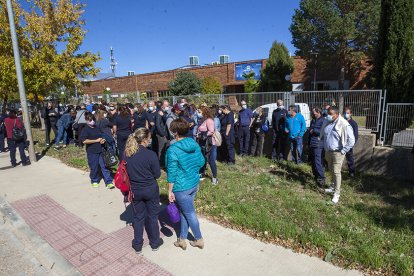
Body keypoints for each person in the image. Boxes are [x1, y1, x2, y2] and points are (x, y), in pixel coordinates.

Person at [166, 118, 205, 250]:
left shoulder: (173, 150)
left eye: (172, 130)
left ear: (175, 132)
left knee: (189, 213)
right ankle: (182, 239)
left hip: (181, 187)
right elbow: (201, 162)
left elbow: (171, 173)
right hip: (193, 183)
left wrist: (170, 191)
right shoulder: (194, 143)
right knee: (185, 212)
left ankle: (199, 238)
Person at [124, 128, 163, 254]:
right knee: (152, 217)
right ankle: (155, 243)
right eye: (149, 137)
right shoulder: (150, 155)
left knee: (138, 218)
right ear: (145, 140)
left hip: (135, 190)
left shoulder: (127, 153)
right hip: (150, 189)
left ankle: (137, 245)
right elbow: (157, 174)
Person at [320, 106, 355, 204]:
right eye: (328, 113)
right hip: (328, 150)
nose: (328, 116)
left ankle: (337, 193)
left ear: (336, 114)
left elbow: (351, 139)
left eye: (330, 114)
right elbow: (324, 132)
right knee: (331, 169)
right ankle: (332, 186)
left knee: (336, 171)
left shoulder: (344, 124)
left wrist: (344, 150)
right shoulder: (327, 121)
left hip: (338, 152)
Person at [80, 113, 114, 188]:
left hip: (101, 150)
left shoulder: (97, 127)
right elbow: (84, 141)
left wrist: (103, 140)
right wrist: (95, 140)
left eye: (93, 120)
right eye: (90, 120)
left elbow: (101, 136)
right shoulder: (85, 129)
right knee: (94, 167)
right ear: (86, 121)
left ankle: (108, 181)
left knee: (104, 166)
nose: (92, 121)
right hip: (92, 151)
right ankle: (94, 180)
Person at [197, 107, 218, 185]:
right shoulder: (204, 120)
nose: (199, 113)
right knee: (203, 159)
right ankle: (202, 173)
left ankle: (215, 177)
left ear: (204, 112)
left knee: (211, 160)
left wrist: (202, 135)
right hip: (203, 143)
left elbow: (211, 131)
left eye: (200, 112)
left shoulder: (209, 120)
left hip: (209, 144)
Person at [308, 107, 326, 186]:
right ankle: (315, 176)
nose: (313, 113)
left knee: (317, 161)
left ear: (318, 112)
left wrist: (314, 131)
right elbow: (311, 129)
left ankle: (321, 178)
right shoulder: (313, 120)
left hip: (318, 143)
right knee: (313, 161)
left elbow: (324, 131)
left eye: (314, 112)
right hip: (312, 142)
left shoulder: (323, 120)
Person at [344, 107, 358, 177]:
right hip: (342, 143)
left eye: (347, 113)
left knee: (350, 158)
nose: (346, 114)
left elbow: (355, 135)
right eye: (345, 113)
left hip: (349, 144)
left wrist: (352, 144)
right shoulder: (343, 122)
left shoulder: (353, 123)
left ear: (351, 114)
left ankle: (352, 172)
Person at [155, 102, 169, 167]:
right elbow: (157, 124)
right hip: (161, 134)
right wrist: (162, 134)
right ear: (163, 105)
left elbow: (167, 120)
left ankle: (162, 162)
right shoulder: (159, 113)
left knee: (164, 148)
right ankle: (160, 164)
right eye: (166, 105)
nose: (168, 106)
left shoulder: (164, 112)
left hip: (164, 133)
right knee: (161, 149)